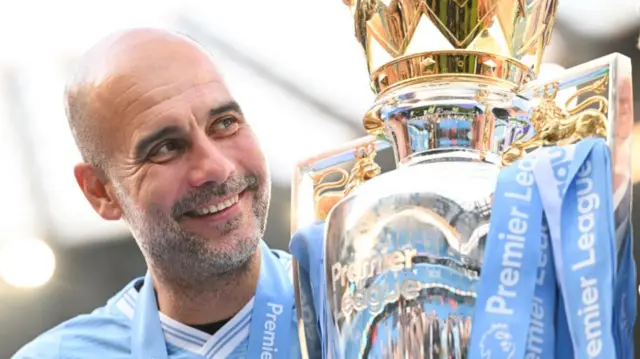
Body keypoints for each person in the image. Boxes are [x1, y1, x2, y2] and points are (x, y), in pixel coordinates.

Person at [13, 27, 300, 359]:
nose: (216, 168)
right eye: (166, 148)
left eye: (224, 123)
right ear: (100, 193)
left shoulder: (353, 303)